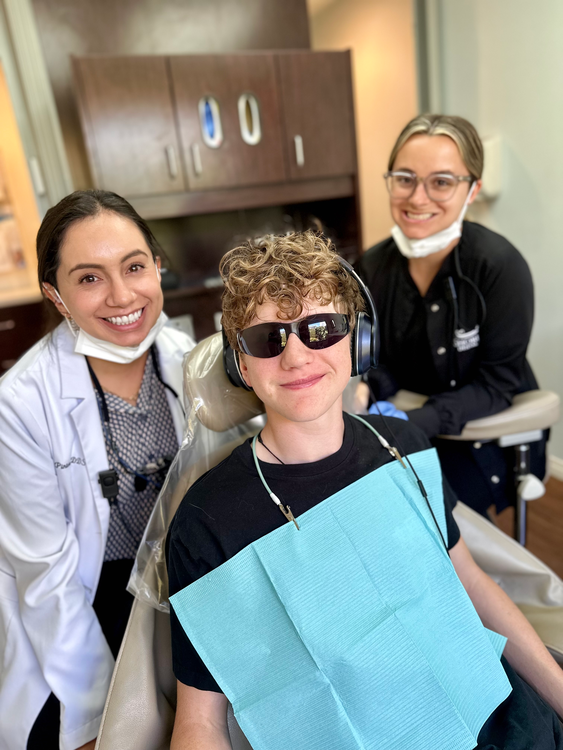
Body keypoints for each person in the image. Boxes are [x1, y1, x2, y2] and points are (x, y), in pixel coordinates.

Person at [166, 231, 563, 750]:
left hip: (498, 714)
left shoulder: (405, 446)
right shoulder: (206, 521)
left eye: (321, 328)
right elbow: (200, 720)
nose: (296, 357)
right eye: (268, 338)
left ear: (358, 341)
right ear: (240, 364)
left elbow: (469, 581)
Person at [0, 190, 194, 750]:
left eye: (134, 267)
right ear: (55, 296)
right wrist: (97, 725)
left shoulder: (190, 359)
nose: (121, 295)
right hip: (85, 606)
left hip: (177, 589)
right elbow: (49, 584)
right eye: (89, 278)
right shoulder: (21, 404)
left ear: (157, 267)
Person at [357, 114, 544, 516]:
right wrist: (366, 391)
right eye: (405, 178)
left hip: (481, 439)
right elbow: (377, 362)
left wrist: (412, 420)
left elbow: (497, 385)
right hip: (402, 426)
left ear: (472, 189)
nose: (418, 198)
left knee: (414, 519)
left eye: (441, 182)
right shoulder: (372, 268)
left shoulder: (498, 268)